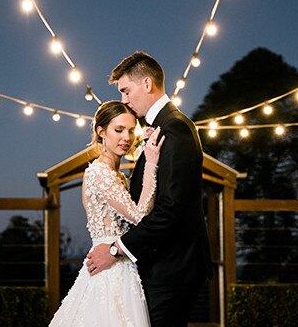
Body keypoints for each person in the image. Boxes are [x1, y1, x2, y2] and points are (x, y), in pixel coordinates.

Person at [86, 51, 212, 326]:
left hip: (172, 270)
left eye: (125, 91)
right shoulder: (160, 128)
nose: (124, 100)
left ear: (146, 84)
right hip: (160, 267)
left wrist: (115, 250)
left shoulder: (174, 128)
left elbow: (170, 210)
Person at [50, 100, 165, 326]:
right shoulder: (99, 173)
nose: (126, 137)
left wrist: (142, 149)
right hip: (110, 269)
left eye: (131, 130)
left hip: (120, 263)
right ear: (101, 132)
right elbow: (140, 215)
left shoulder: (117, 175)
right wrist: (151, 163)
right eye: (118, 130)